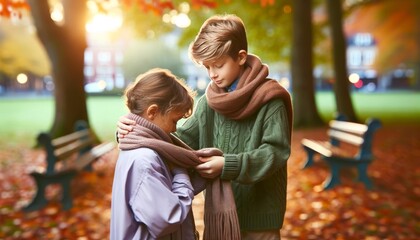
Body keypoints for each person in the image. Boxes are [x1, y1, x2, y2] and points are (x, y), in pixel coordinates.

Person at [118, 14, 293, 240]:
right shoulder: (209, 102)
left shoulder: (271, 100)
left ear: (240, 57)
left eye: (218, 65)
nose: (212, 74)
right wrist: (134, 128)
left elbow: (275, 153)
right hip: (220, 217)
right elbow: (178, 141)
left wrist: (227, 165)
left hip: (260, 220)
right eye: (207, 66)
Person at [111, 68, 205, 240]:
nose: (175, 129)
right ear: (152, 112)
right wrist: (181, 171)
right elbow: (168, 219)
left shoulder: (141, 147)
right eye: (174, 120)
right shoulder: (145, 160)